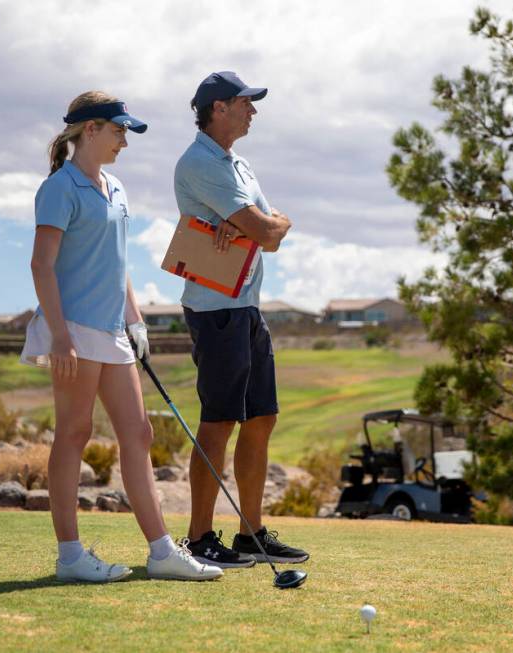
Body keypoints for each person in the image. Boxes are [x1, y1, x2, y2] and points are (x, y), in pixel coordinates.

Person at [21, 91, 221, 583]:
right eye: (118, 131)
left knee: (138, 433)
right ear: (89, 130)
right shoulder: (60, 187)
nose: (124, 142)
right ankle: (69, 556)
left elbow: (118, 264)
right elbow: (41, 266)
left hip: (111, 330)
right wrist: (61, 338)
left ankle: (161, 552)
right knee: (74, 434)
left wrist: (136, 321)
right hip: (74, 329)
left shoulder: (115, 187)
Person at [173, 71, 309, 568]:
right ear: (217, 109)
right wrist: (258, 226)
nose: (253, 110)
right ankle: (199, 538)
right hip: (216, 309)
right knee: (219, 421)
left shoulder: (240, 164)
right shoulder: (198, 162)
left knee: (262, 417)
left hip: (246, 305)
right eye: (244, 102)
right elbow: (265, 228)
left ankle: (250, 534)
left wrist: (259, 227)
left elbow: (276, 226)